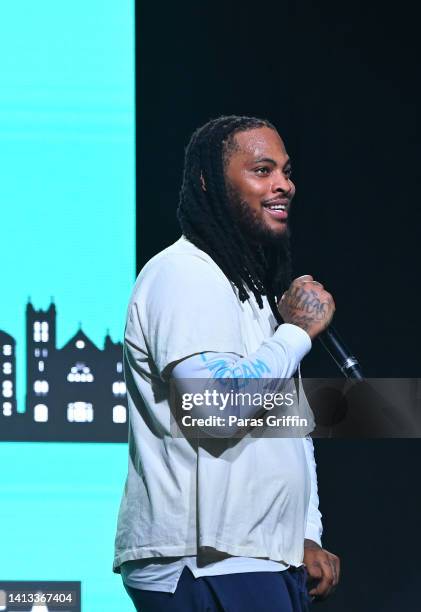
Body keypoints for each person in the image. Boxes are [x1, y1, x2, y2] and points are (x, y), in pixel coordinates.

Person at [113, 115, 340, 611]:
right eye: (262, 170)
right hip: (204, 562)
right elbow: (214, 410)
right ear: (208, 182)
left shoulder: (252, 293)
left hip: (257, 557)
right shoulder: (183, 274)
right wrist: (296, 333)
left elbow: (286, 430)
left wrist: (302, 533)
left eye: (285, 170)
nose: (285, 184)